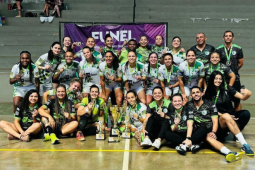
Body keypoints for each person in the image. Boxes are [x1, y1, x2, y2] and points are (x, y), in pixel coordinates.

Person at [204, 71, 253, 156]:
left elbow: (242, 97)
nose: (218, 81)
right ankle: (239, 139)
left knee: (246, 113)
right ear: (212, 80)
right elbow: (209, 109)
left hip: (230, 115)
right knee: (226, 116)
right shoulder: (208, 93)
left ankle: (244, 144)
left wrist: (248, 94)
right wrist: (223, 115)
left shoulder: (228, 89)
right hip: (218, 118)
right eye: (216, 79)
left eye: (220, 79)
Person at [188, 86, 242, 162]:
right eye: (193, 93)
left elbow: (215, 121)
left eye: (197, 92)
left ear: (202, 93)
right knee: (207, 137)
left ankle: (230, 152)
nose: (195, 94)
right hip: (198, 132)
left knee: (210, 137)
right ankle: (230, 152)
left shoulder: (210, 104)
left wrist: (213, 132)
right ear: (191, 96)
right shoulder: (188, 105)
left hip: (210, 128)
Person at [216, 30, 244, 111]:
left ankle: (238, 120)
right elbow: (217, 62)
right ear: (223, 38)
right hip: (223, 79)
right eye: (226, 36)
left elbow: (241, 63)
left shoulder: (238, 48)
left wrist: (232, 72)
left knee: (237, 100)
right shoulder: (218, 49)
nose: (228, 37)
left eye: (230, 36)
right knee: (224, 99)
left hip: (235, 78)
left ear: (233, 38)